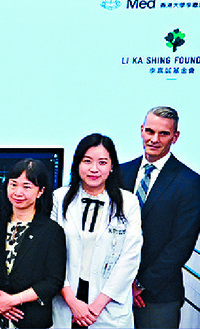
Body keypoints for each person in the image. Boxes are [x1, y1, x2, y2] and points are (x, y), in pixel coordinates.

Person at [119, 106, 200, 329]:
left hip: (158, 297)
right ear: (141, 130)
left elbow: (181, 244)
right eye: (149, 131)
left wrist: (139, 284)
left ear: (175, 137)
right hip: (113, 293)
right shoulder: (120, 173)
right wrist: (121, 283)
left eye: (163, 133)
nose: (154, 139)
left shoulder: (190, 183)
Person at [52, 133, 142, 328]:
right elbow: (51, 256)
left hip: (107, 304)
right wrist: (72, 302)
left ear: (111, 167)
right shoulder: (59, 199)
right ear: (77, 164)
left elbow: (130, 258)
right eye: (87, 161)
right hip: (67, 299)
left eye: (102, 162)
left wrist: (96, 307)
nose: (94, 169)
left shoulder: (128, 203)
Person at [0, 159, 66, 328]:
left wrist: (13, 300)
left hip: (30, 318)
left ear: (40, 191)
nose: (18, 192)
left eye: (26, 187)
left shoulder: (52, 231)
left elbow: (53, 281)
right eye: (13, 184)